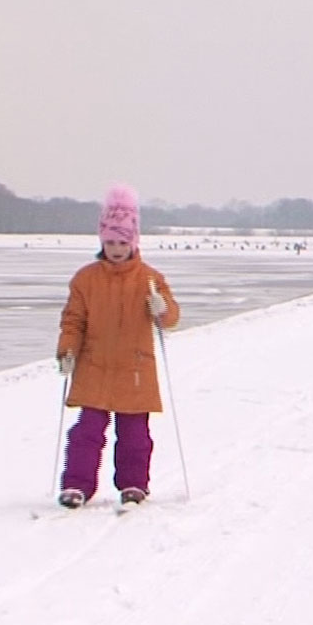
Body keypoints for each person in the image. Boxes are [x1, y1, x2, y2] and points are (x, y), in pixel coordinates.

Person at [55, 185, 182, 507]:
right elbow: (73, 320)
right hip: (94, 365)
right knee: (86, 432)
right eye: (109, 242)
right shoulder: (86, 279)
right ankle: (77, 485)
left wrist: (161, 308)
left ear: (133, 242)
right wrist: (67, 351)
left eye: (122, 243)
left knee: (135, 436)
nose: (115, 249)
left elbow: (171, 317)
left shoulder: (149, 278)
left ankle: (134, 485)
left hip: (135, 368)